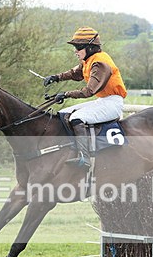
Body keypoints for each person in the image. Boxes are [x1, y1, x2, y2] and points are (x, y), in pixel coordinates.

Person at [43, 27, 127, 166]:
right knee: (64, 113)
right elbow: (74, 73)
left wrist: (66, 94)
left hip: (113, 103)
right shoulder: (89, 60)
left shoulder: (100, 63)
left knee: (76, 118)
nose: (75, 51)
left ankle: (85, 157)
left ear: (90, 48)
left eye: (78, 47)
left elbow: (89, 91)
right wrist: (56, 77)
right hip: (103, 101)